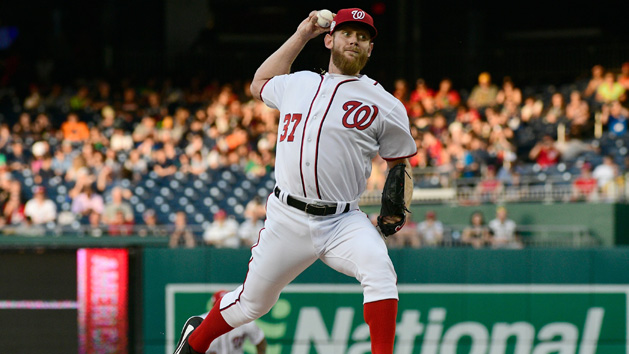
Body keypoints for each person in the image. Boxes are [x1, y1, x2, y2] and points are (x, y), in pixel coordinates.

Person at [174, 8, 416, 354]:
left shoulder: (386, 104)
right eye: (348, 33)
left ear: (370, 50)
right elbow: (258, 84)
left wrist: (398, 201)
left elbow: (399, 161)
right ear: (330, 39)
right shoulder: (298, 83)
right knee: (251, 305)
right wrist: (302, 34)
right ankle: (196, 341)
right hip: (287, 218)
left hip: (341, 220)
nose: (355, 40)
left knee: (380, 271)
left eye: (363, 37)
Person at [184, 291, 267, 354]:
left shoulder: (244, 321)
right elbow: (187, 349)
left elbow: (260, 340)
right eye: (218, 306)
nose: (222, 310)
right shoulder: (200, 322)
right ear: (213, 307)